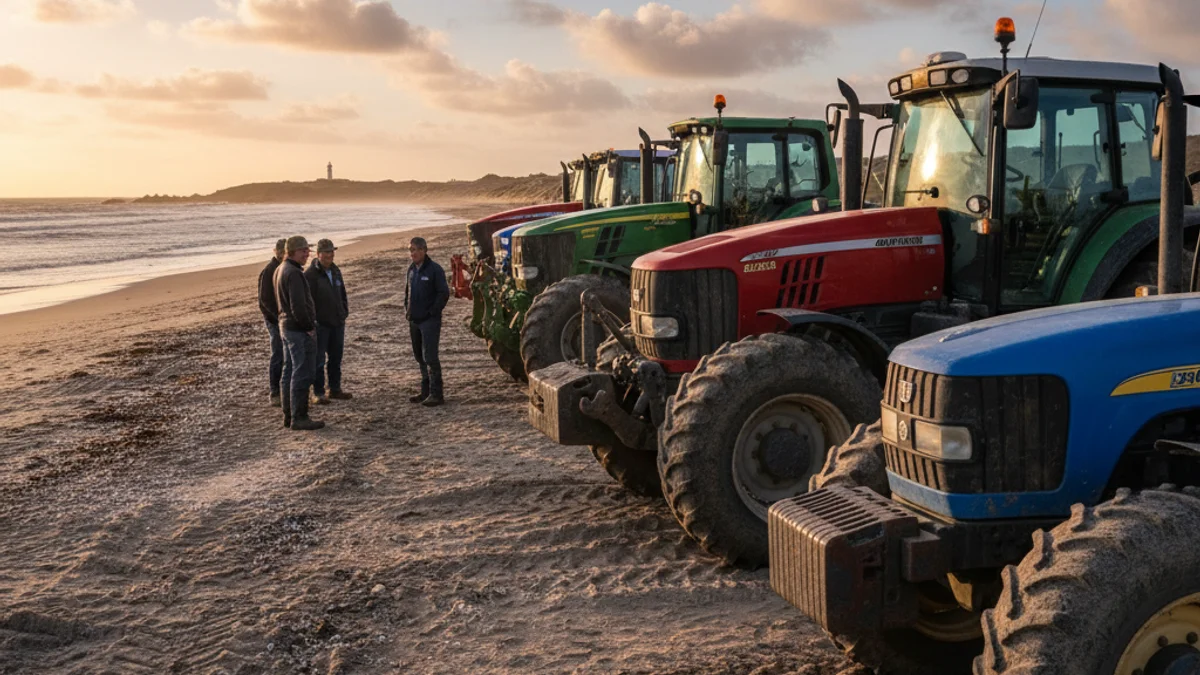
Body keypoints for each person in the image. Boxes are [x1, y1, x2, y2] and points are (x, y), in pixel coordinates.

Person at [274, 235, 325, 431]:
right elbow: (298, 306)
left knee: (289, 371)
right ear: (293, 251)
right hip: (296, 329)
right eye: (303, 250)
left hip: (286, 326)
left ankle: (289, 415)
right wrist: (309, 327)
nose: (307, 254)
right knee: (302, 372)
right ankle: (299, 416)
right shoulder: (293, 273)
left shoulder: (281, 269)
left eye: (307, 250)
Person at [305, 238, 352, 404]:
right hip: (321, 325)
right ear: (318, 254)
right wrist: (313, 321)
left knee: (336, 358)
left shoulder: (336, 270)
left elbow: (342, 293)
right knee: (318, 361)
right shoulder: (310, 275)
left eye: (332, 252)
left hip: (337, 322)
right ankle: (318, 393)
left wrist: (344, 312)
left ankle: (335, 388)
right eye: (326, 252)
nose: (330, 255)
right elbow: (307, 302)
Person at [404, 236, 450, 406]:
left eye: (415, 250)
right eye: (411, 250)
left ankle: (437, 393)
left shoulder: (435, 269)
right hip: (414, 320)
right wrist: (406, 311)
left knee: (430, 356)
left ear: (424, 250)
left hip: (429, 321)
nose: (413, 253)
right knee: (419, 357)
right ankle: (425, 391)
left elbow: (443, 293)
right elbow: (407, 293)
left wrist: (432, 312)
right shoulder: (411, 269)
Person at [257, 238, 287, 406]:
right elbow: (264, 301)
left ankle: (284, 389)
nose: (283, 254)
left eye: (285, 251)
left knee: (287, 356)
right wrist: (277, 319)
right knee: (278, 354)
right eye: (281, 251)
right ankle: (274, 392)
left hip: (284, 319)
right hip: (274, 320)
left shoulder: (286, 268)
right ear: (276, 251)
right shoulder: (269, 271)